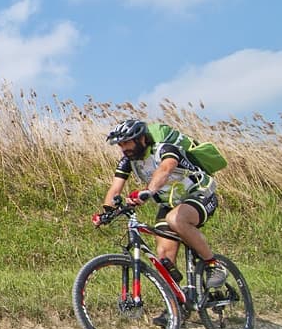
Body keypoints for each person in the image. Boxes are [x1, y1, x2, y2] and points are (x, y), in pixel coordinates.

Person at [94, 119, 227, 300]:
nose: (124, 148)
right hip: (170, 203)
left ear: (141, 139)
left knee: (176, 220)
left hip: (200, 193)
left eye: (127, 143)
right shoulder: (128, 161)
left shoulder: (164, 149)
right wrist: (106, 212)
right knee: (164, 256)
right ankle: (176, 306)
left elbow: (165, 169)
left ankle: (213, 265)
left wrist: (148, 191)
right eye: (120, 145)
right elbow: (115, 188)